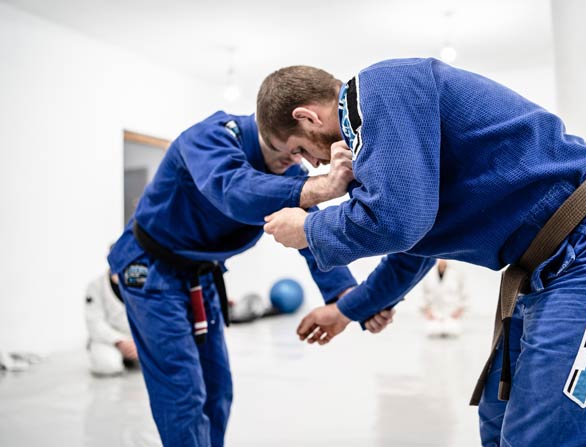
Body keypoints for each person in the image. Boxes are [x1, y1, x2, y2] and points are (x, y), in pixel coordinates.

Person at [257, 59, 586, 446]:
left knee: (545, 437)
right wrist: (346, 311)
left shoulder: (377, 87)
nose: (310, 165)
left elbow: (398, 222)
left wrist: (309, 228)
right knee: (498, 425)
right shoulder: (384, 147)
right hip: (549, 267)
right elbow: (410, 249)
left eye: (296, 151)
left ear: (307, 117)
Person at [107, 112, 394, 447]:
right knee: (182, 390)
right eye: (295, 149)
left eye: (303, 154)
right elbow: (238, 190)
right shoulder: (209, 137)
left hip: (201, 273)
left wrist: (351, 300)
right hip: (151, 268)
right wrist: (324, 186)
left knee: (217, 389)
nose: (297, 160)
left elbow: (312, 237)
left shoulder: (288, 170)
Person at [84, 271, 138, 376]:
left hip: (137, 340)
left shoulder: (143, 281)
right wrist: (119, 341)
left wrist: (140, 343)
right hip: (109, 341)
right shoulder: (96, 285)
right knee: (109, 365)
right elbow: (95, 323)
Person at [421, 260, 467, 338]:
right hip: (434, 314)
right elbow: (423, 294)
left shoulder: (456, 274)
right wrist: (427, 311)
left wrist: (460, 311)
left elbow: (464, 293)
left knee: (452, 332)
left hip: (452, 313)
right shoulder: (429, 273)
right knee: (433, 332)